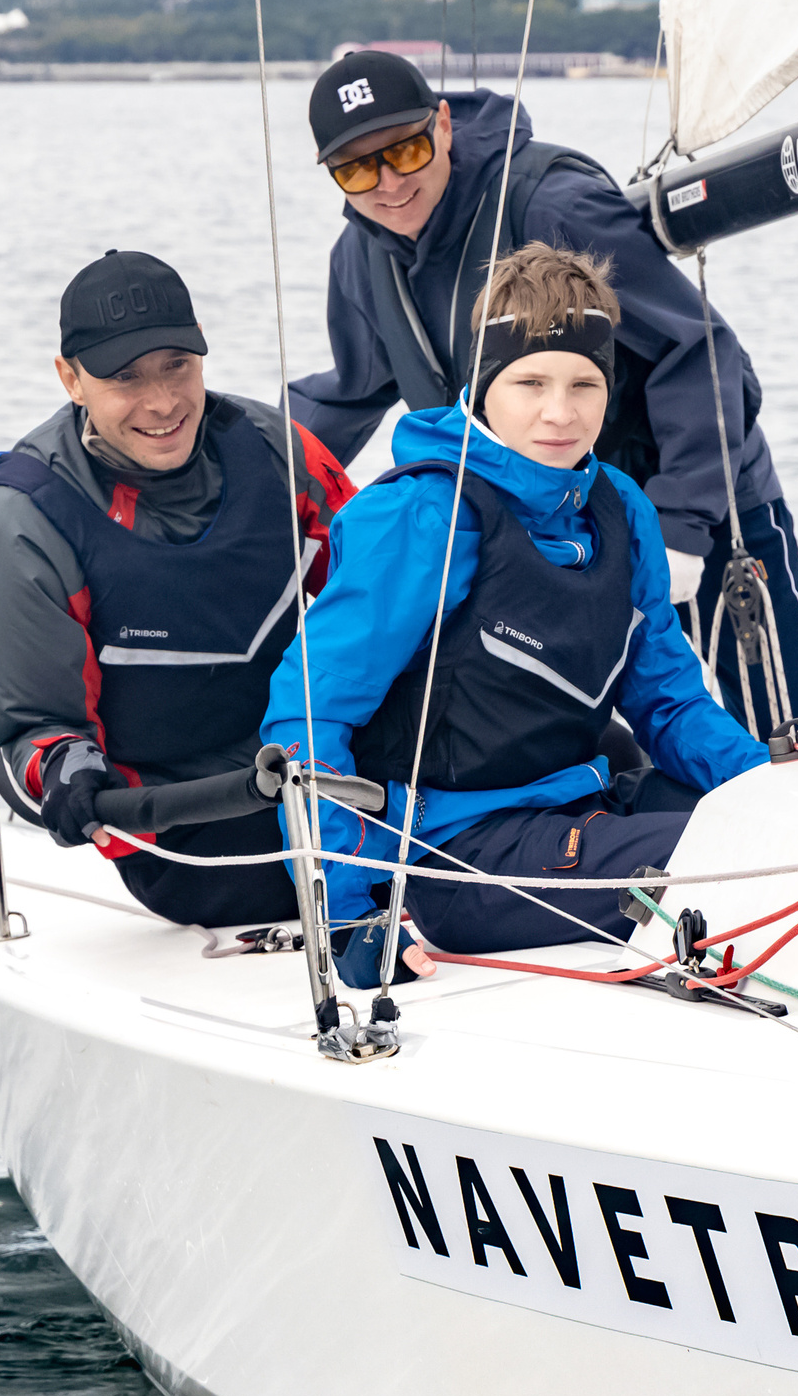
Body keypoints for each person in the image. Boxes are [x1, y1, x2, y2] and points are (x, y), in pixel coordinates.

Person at [263, 244, 767, 983]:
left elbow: (668, 700)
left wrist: (773, 784)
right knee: (733, 856)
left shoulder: (620, 509)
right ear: (484, 382)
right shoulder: (424, 515)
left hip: (573, 807)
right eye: (529, 381)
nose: (559, 413)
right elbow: (308, 713)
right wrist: (343, 912)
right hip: (451, 857)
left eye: (584, 383)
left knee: (774, 825)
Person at [289, 47, 798, 735]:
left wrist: (682, 526)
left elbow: (699, 349)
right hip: (553, 536)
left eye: (408, 150)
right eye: (357, 167)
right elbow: (346, 392)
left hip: (698, 511)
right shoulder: (360, 258)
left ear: (444, 126)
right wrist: (244, 463)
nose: (388, 183)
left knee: (787, 739)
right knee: (609, 747)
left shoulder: (555, 204)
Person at [0, 249, 354, 926]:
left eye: (178, 366)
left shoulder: (274, 446)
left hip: (326, 775)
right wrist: (64, 767)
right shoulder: (21, 521)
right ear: (71, 379)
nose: (163, 401)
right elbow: (41, 727)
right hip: (185, 833)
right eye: (125, 378)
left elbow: (387, 595)